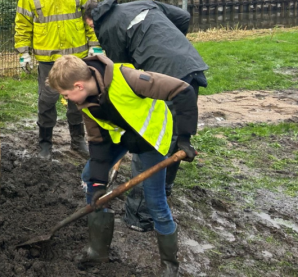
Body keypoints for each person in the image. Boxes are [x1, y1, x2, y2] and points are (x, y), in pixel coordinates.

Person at [47, 53, 198, 277]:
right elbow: (97, 143)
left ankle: (169, 266)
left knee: (155, 201)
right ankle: (97, 250)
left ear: (78, 85)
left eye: (66, 94)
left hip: (151, 137)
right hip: (124, 135)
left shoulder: (128, 78)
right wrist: (98, 185)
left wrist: (184, 138)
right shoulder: (86, 101)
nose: (67, 99)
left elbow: (182, 89)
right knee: (91, 178)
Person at [84, 0, 208, 232]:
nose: (92, 29)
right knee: (170, 138)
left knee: (147, 141)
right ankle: (163, 190)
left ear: (92, 20)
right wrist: (170, 46)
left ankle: (139, 216)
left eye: (90, 26)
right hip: (189, 67)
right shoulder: (142, 3)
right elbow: (183, 17)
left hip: (163, 76)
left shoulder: (107, 27)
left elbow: (119, 74)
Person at [14, 0, 99, 159]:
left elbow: (93, 15)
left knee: (78, 100)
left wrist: (95, 43)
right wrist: (23, 52)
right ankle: (45, 142)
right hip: (48, 58)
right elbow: (23, 23)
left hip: (77, 57)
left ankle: (78, 140)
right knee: (47, 100)